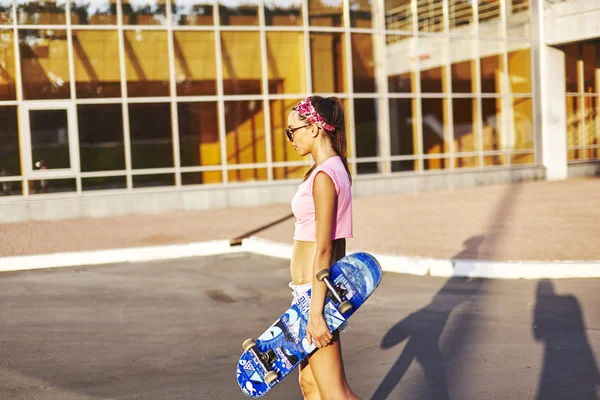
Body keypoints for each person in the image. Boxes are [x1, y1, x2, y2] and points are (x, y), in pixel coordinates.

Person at [286, 96, 359, 400]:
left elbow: (325, 248)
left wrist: (316, 312)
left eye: (293, 131)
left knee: (335, 394)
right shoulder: (332, 168)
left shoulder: (325, 176)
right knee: (311, 386)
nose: (290, 138)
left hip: (315, 295)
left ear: (314, 128)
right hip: (308, 293)